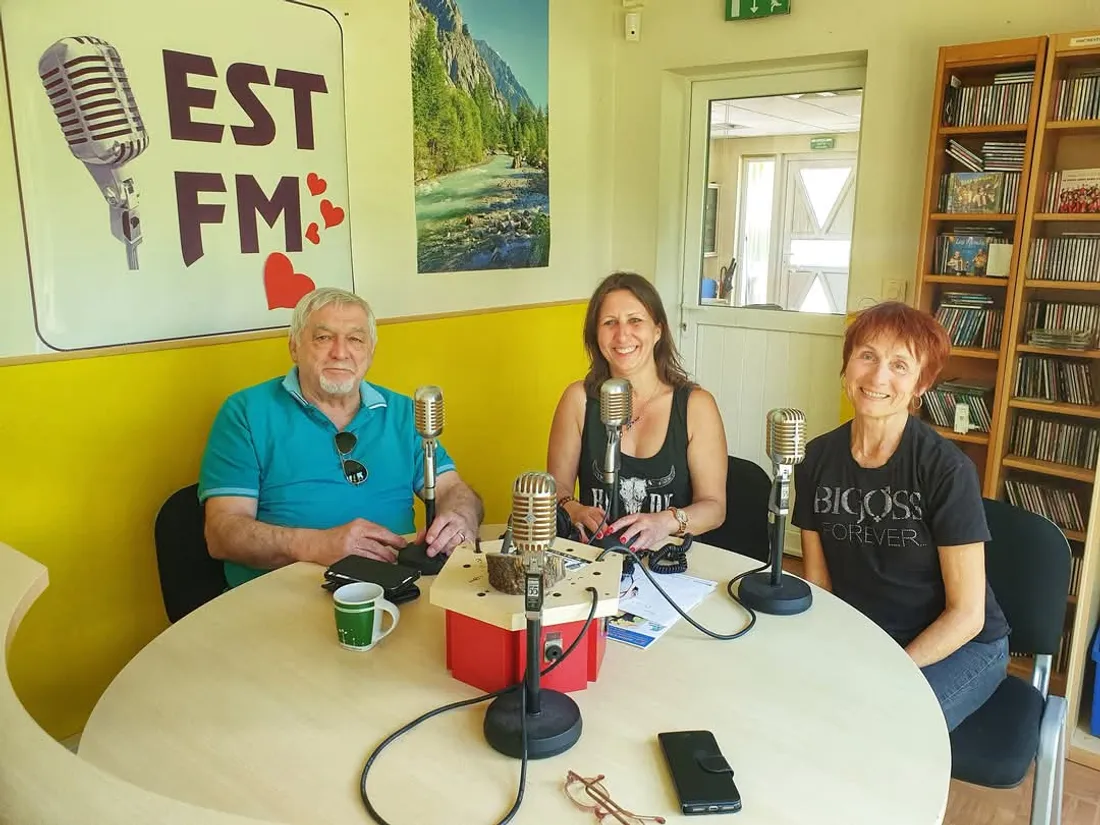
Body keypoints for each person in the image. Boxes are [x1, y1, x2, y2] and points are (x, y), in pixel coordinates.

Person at [792, 301, 1009, 731]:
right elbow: (819, 583)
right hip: (868, 636)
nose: (877, 377)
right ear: (847, 364)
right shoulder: (815, 457)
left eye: (899, 365)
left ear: (921, 385)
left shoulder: (946, 469)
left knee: (881, 727)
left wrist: (890, 669)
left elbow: (967, 615)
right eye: (867, 356)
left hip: (960, 646)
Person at [199, 287, 483, 588]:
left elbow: (453, 489)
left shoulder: (404, 413)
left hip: (396, 588)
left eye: (355, 339)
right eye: (323, 338)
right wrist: (316, 545)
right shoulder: (245, 413)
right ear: (294, 347)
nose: (340, 351)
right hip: (283, 597)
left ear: (370, 352)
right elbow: (222, 534)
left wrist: (462, 516)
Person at [547, 271, 727, 550]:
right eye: (609, 323)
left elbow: (714, 508)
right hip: (595, 559)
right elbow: (557, 489)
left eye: (635, 320)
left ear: (658, 330)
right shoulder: (577, 400)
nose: (622, 334)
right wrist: (575, 510)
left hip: (668, 560)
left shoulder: (696, 406)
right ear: (596, 335)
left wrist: (664, 522)